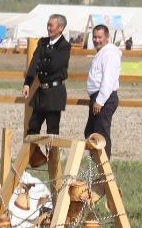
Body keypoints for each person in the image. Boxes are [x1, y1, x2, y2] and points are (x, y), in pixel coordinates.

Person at [22, 13, 72, 163]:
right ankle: (35, 157)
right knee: (32, 127)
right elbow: (34, 64)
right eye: (48, 25)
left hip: (55, 93)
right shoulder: (43, 43)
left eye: (51, 25)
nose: (48, 28)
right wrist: (27, 83)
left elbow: (54, 66)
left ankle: (53, 162)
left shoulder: (65, 46)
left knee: (52, 131)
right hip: (41, 92)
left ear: (61, 28)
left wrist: (42, 62)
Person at [84, 23, 122, 154]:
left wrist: (100, 100)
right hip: (98, 97)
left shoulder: (109, 53)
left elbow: (108, 79)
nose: (96, 40)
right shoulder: (102, 53)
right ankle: (96, 166)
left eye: (99, 37)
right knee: (91, 133)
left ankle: (104, 169)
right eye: (94, 37)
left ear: (107, 37)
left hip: (105, 97)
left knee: (101, 134)